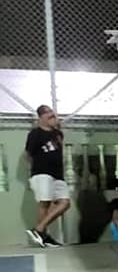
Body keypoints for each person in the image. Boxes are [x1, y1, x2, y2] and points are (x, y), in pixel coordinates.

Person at [25, 105, 68, 248]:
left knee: (65, 203)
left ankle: (39, 230)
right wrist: (34, 172)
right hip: (42, 172)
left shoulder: (58, 134)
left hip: (58, 174)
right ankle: (43, 236)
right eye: (47, 113)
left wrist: (58, 127)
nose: (51, 114)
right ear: (41, 118)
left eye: (51, 112)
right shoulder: (35, 133)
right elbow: (28, 154)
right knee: (44, 203)